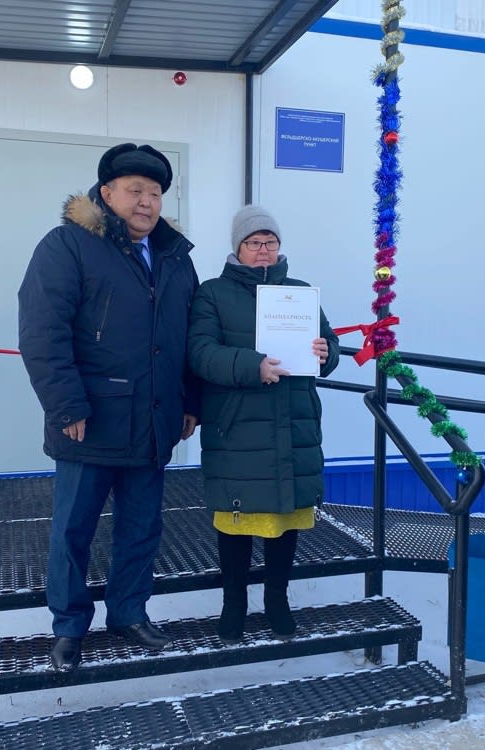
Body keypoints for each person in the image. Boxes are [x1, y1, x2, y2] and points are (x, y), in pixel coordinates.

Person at [18, 143, 199, 671]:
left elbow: (188, 337)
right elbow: (42, 332)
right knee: (73, 531)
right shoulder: (68, 246)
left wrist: (189, 402)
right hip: (89, 421)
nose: (146, 202)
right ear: (106, 193)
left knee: (141, 528)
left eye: (155, 193)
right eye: (135, 190)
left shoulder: (173, 258)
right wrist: (65, 406)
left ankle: (128, 612)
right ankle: (69, 626)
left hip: (154, 421)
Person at [187, 205, 340, 642]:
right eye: (253, 243)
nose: (263, 250)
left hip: (293, 422)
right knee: (237, 521)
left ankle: (277, 600)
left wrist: (326, 352)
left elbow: (329, 345)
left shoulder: (300, 293)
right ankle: (233, 604)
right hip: (239, 426)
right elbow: (200, 353)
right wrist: (251, 366)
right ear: (237, 248)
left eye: (270, 242)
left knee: (285, 518)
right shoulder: (212, 294)